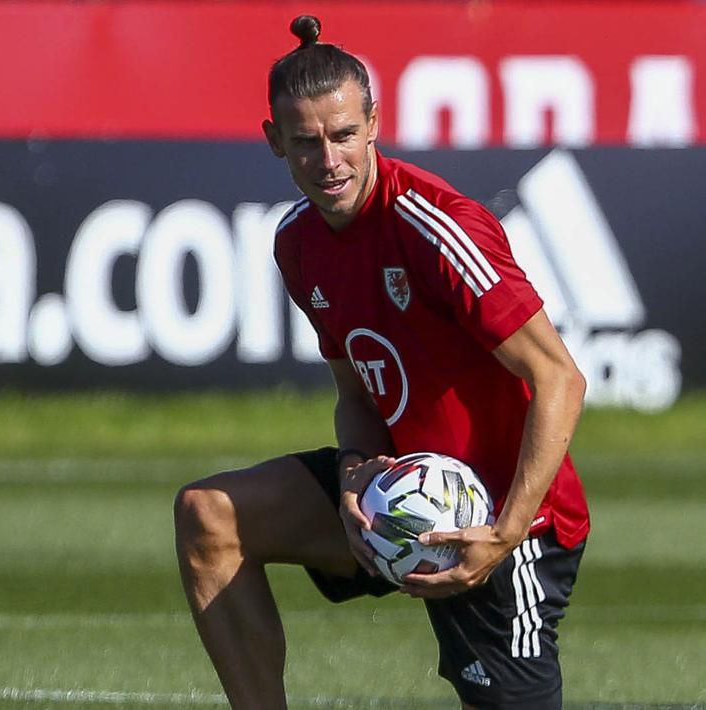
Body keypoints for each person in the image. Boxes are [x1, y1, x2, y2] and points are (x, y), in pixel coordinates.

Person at [174, 15, 590, 709]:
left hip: (499, 516)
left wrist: (504, 532)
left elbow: (559, 378)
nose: (327, 159)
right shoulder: (298, 243)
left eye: (341, 135)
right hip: (389, 496)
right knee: (209, 515)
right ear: (274, 140)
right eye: (305, 141)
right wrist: (350, 472)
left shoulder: (435, 226)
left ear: (372, 124)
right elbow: (357, 392)